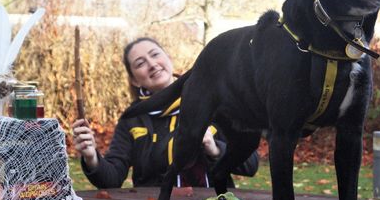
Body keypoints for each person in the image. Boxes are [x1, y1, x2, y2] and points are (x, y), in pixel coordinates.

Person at [72, 37, 259, 189]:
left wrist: (214, 147)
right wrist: (91, 157)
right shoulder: (133, 119)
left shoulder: (214, 100)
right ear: (135, 80)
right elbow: (111, 180)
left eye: (155, 55)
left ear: (168, 59)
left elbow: (250, 165)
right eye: (140, 63)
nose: (152, 64)